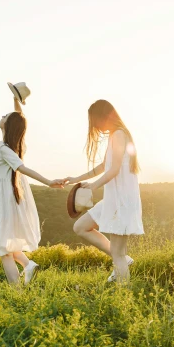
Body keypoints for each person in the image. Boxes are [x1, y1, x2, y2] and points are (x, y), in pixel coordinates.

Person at [0, 91, 63, 285]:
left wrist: (48, 182)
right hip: (8, 199)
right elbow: (20, 120)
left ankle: (17, 291)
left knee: (4, 249)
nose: (2, 116)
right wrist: (16, 99)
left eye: (6, 116)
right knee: (6, 241)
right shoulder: (16, 145)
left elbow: (22, 168)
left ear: (8, 125)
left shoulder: (5, 150)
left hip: (4, 202)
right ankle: (28, 265)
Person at [64, 100, 144, 285]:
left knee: (117, 253)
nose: (95, 125)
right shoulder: (114, 136)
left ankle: (123, 295)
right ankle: (124, 260)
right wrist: (76, 179)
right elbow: (103, 166)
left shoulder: (119, 134)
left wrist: (93, 186)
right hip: (113, 200)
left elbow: (114, 169)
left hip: (121, 201)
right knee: (81, 227)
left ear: (103, 116)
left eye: (95, 120)